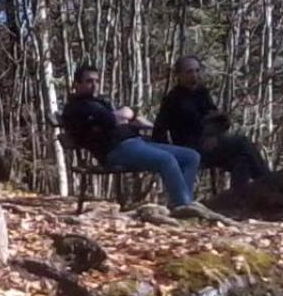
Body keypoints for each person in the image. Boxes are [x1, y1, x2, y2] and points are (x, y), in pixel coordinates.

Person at [60, 62, 210, 218]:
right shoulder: (76, 107)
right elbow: (115, 117)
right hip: (116, 151)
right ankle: (185, 211)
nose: (94, 85)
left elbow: (123, 118)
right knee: (167, 160)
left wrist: (140, 123)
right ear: (77, 84)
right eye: (89, 81)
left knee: (191, 156)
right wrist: (124, 114)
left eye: (97, 81)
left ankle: (183, 203)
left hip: (136, 143)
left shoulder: (100, 102)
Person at [152, 56, 271, 191]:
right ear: (179, 75)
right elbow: (159, 131)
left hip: (211, 142)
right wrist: (173, 155)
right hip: (189, 149)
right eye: (189, 72)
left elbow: (218, 119)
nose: (194, 75)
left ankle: (238, 199)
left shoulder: (202, 93)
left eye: (197, 71)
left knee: (242, 158)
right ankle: (268, 182)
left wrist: (213, 134)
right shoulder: (172, 99)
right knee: (242, 142)